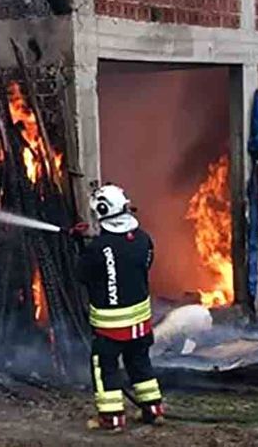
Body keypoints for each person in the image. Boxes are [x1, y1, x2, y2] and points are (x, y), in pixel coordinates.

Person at [71, 184, 165, 432]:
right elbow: (139, 264)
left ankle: (111, 419)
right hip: (140, 324)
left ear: (102, 212)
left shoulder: (98, 249)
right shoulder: (144, 239)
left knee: (105, 369)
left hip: (110, 327)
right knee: (140, 363)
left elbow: (82, 275)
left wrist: (80, 247)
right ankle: (153, 409)